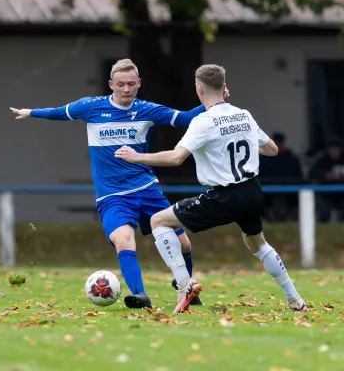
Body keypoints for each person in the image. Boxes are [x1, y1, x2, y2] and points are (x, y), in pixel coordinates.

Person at [10, 59, 230, 309]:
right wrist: (31, 112)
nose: (126, 89)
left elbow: (186, 119)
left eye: (131, 84)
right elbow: (60, 112)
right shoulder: (91, 107)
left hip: (146, 189)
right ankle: (140, 295)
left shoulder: (147, 109)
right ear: (111, 84)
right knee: (124, 240)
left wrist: (216, 102)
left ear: (138, 84)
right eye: (121, 84)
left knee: (183, 243)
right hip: (112, 196)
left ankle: (186, 286)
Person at [115, 64, 307, 314]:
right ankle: (295, 299)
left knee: (158, 221)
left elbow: (175, 158)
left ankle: (185, 284)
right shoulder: (244, 115)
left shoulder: (203, 122)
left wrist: (136, 157)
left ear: (199, 89)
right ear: (223, 86)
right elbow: (272, 149)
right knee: (258, 244)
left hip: (224, 195)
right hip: (252, 191)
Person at [309, 140, 344, 222]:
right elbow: (312, 173)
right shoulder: (322, 160)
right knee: (324, 211)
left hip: (342, 194)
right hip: (325, 194)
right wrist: (325, 175)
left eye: (336, 150)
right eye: (332, 150)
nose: (334, 152)